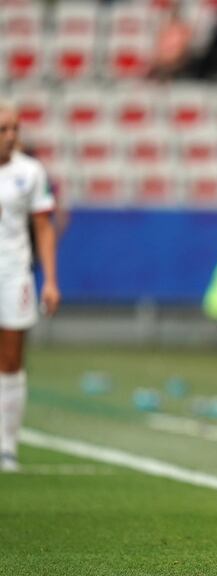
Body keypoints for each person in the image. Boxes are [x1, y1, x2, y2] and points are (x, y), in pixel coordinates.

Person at [0, 100, 60, 473]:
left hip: (14, 273)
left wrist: (50, 280)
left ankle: (7, 447)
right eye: (3, 130)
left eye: (15, 129)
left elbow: (43, 227)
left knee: (11, 360)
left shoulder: (30, 172)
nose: (10, 136)